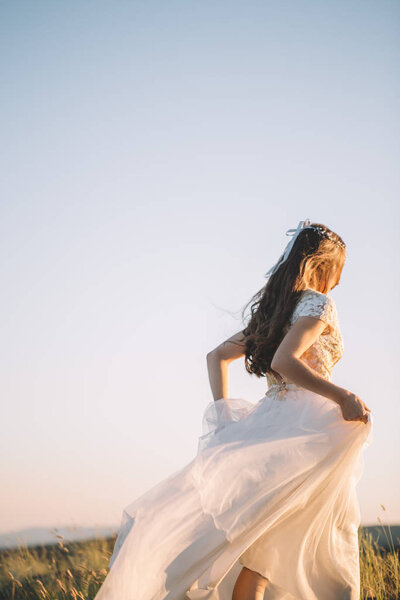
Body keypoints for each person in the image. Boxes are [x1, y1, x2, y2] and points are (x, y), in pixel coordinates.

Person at [93, 219, 373, 600]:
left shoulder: (276, 312)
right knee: (298, 548)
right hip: (306, 434)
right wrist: (341, 396)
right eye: (338, 271)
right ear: (325, 265)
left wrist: (225, 416)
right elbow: (285, 362)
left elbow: (216, 357)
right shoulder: (318, 304)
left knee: (265, 552)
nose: (338, 282)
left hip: (270, 427)